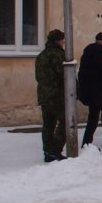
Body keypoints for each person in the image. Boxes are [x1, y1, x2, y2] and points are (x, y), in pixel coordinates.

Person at [35, 29, 67, 162]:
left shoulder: (41, 55)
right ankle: (55, 149)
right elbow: (64, 74)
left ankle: (48, 151)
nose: (64, 42)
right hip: (57, 94)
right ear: (58, 40)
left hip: (44, 95)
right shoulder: (58, 55)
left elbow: (38, 77)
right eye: (62, 40)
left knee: (48, 124)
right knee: (66, 121)